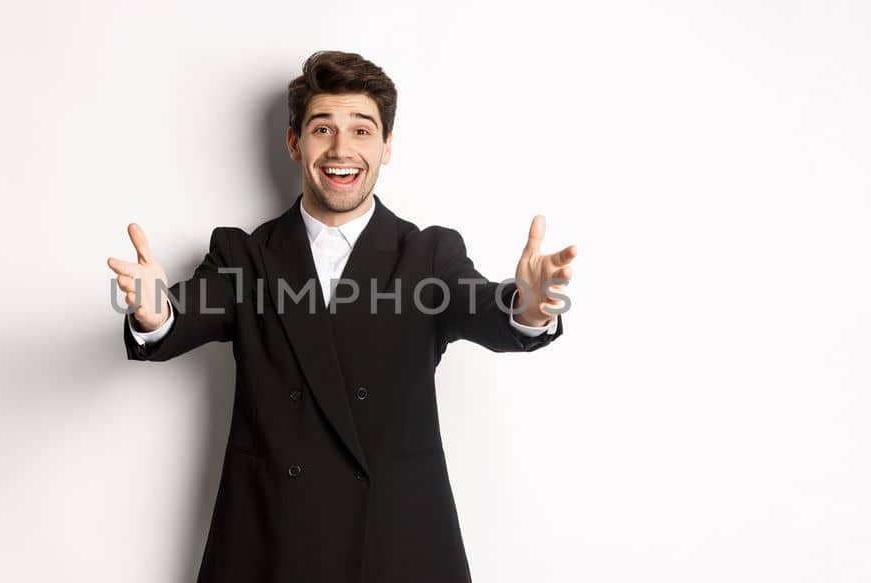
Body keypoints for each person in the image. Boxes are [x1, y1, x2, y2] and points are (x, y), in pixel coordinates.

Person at [106, 50, 578, 583]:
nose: (341, 149)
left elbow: (482, 306)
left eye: (362, 130)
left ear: (387, 147)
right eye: (322, 128)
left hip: (394, 544)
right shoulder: (246, 256)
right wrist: (154, 310)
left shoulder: (428, 256)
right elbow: (183, 316)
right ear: (294, 142)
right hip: (272, 542)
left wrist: (527, 305)